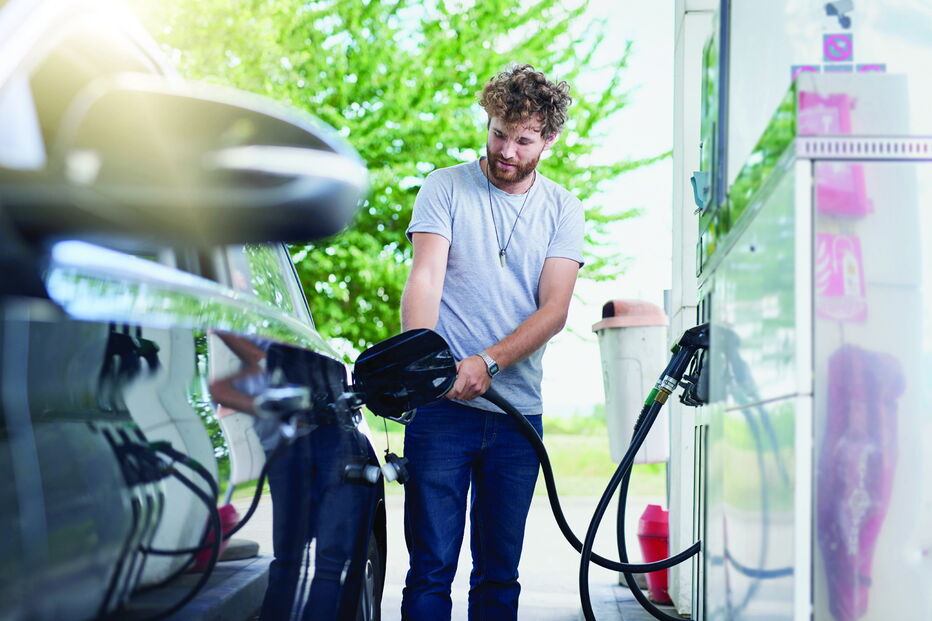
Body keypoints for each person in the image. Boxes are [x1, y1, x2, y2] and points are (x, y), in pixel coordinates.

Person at [399, 64, 584, 621]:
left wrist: (488, 362)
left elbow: (554, 309)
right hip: (440, 411)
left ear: (548, 140)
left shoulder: (562, 209)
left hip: (516, 416)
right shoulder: (445, 186)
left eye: (523, 140)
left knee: (498, 575)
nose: (506, 149)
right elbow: (425, 276)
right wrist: (423, 366)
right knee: (430, 570)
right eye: (499, 132)